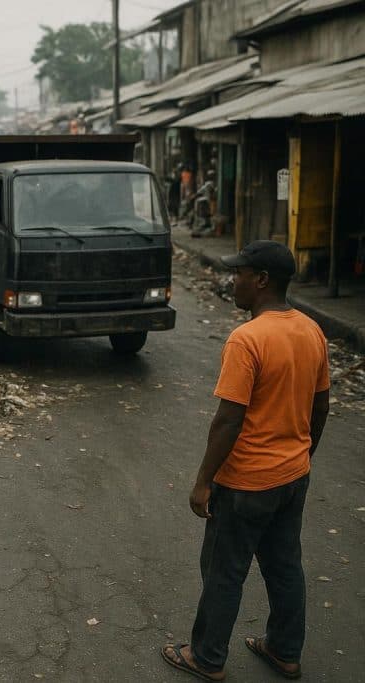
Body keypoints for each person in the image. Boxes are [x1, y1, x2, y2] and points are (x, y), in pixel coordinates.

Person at [161, 240, 330, 681]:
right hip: (293, 476)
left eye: (239, 274)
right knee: (284, 565)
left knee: (223, 570)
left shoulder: (247, 339)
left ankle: (207, 657)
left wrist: (203, 481)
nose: (231, 280)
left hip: (246, 482)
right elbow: (321, 405)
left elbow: (228, 421)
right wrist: (301, 454)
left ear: (262, 281)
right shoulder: (311, 331)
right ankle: (285, 651)